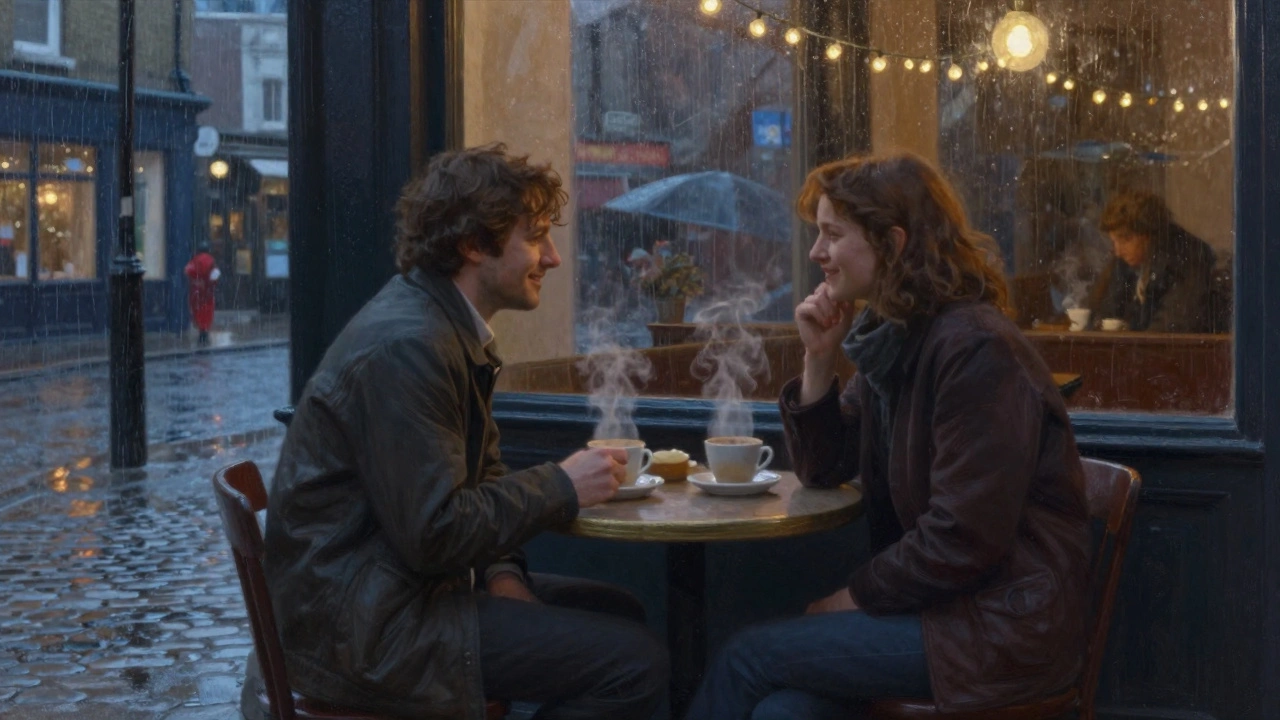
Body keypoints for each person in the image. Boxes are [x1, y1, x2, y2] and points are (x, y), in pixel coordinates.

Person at [261, 144, 668, 720]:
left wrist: (501, 572)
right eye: (535, 237)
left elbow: (479, 482)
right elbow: (435, 532)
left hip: (391, 598)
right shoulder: (412, 346)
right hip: (368, 634)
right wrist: (562, 484)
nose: (552, 258)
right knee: (636, 663)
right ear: (474, 245)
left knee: (620, 609)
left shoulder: (441, 326)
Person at [684, 153, 1091, 720]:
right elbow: (826, 470)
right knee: (787, 710)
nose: (816, 253)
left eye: (832, 234)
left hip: (996, 628)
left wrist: (851, 599)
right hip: (938, 612)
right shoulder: (898, 336)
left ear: (894, 244)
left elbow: (962, 539)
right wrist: (819, 361)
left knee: (745, 657)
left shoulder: (974, 348)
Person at [1088, 189, 1217, 332]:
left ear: (1149, 233)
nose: (1118, 252)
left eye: (1125, 239)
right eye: (1114, 242)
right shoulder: (1127, 261)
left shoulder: (1187, 259)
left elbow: (1173, 325)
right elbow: (1107, 312)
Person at [184, 242, 219, 345]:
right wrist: (211, 284)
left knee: (197, 311)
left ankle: (201, 331)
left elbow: (187, 271)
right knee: (207, 312)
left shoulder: (194, 260)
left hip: (196, 291)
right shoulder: (211, 260)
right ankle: (204, 333)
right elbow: (215, 275)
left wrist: (195, 280)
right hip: (207, 291)